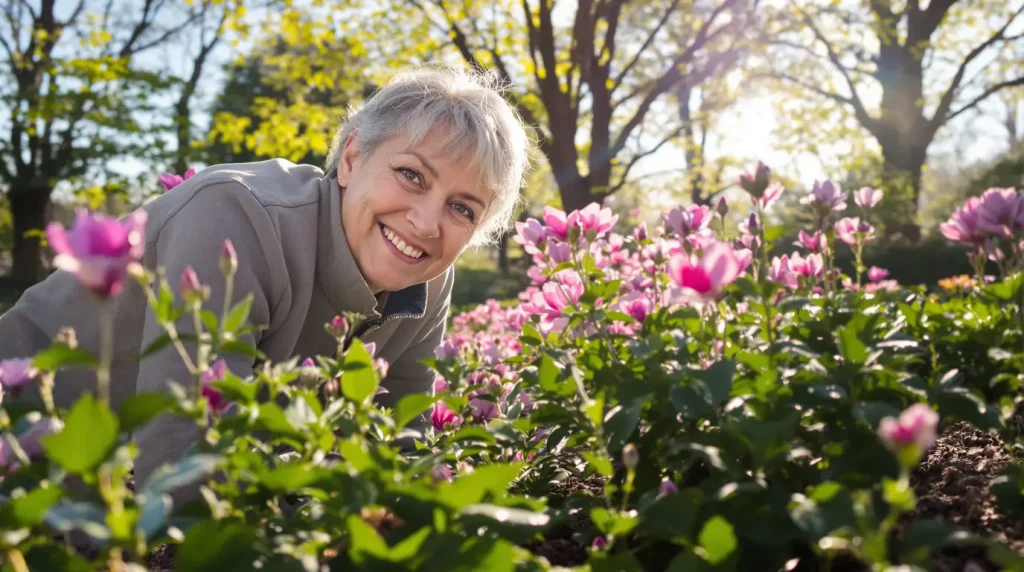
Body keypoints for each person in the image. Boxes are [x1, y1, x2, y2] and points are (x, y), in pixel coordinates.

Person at [0, 64, 531, 491]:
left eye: (463, 208)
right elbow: (183, 449)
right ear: (350, 159)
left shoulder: (428, 275)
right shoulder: (238, 214)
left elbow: (401, 431)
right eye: (411, 175)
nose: (427, 222)